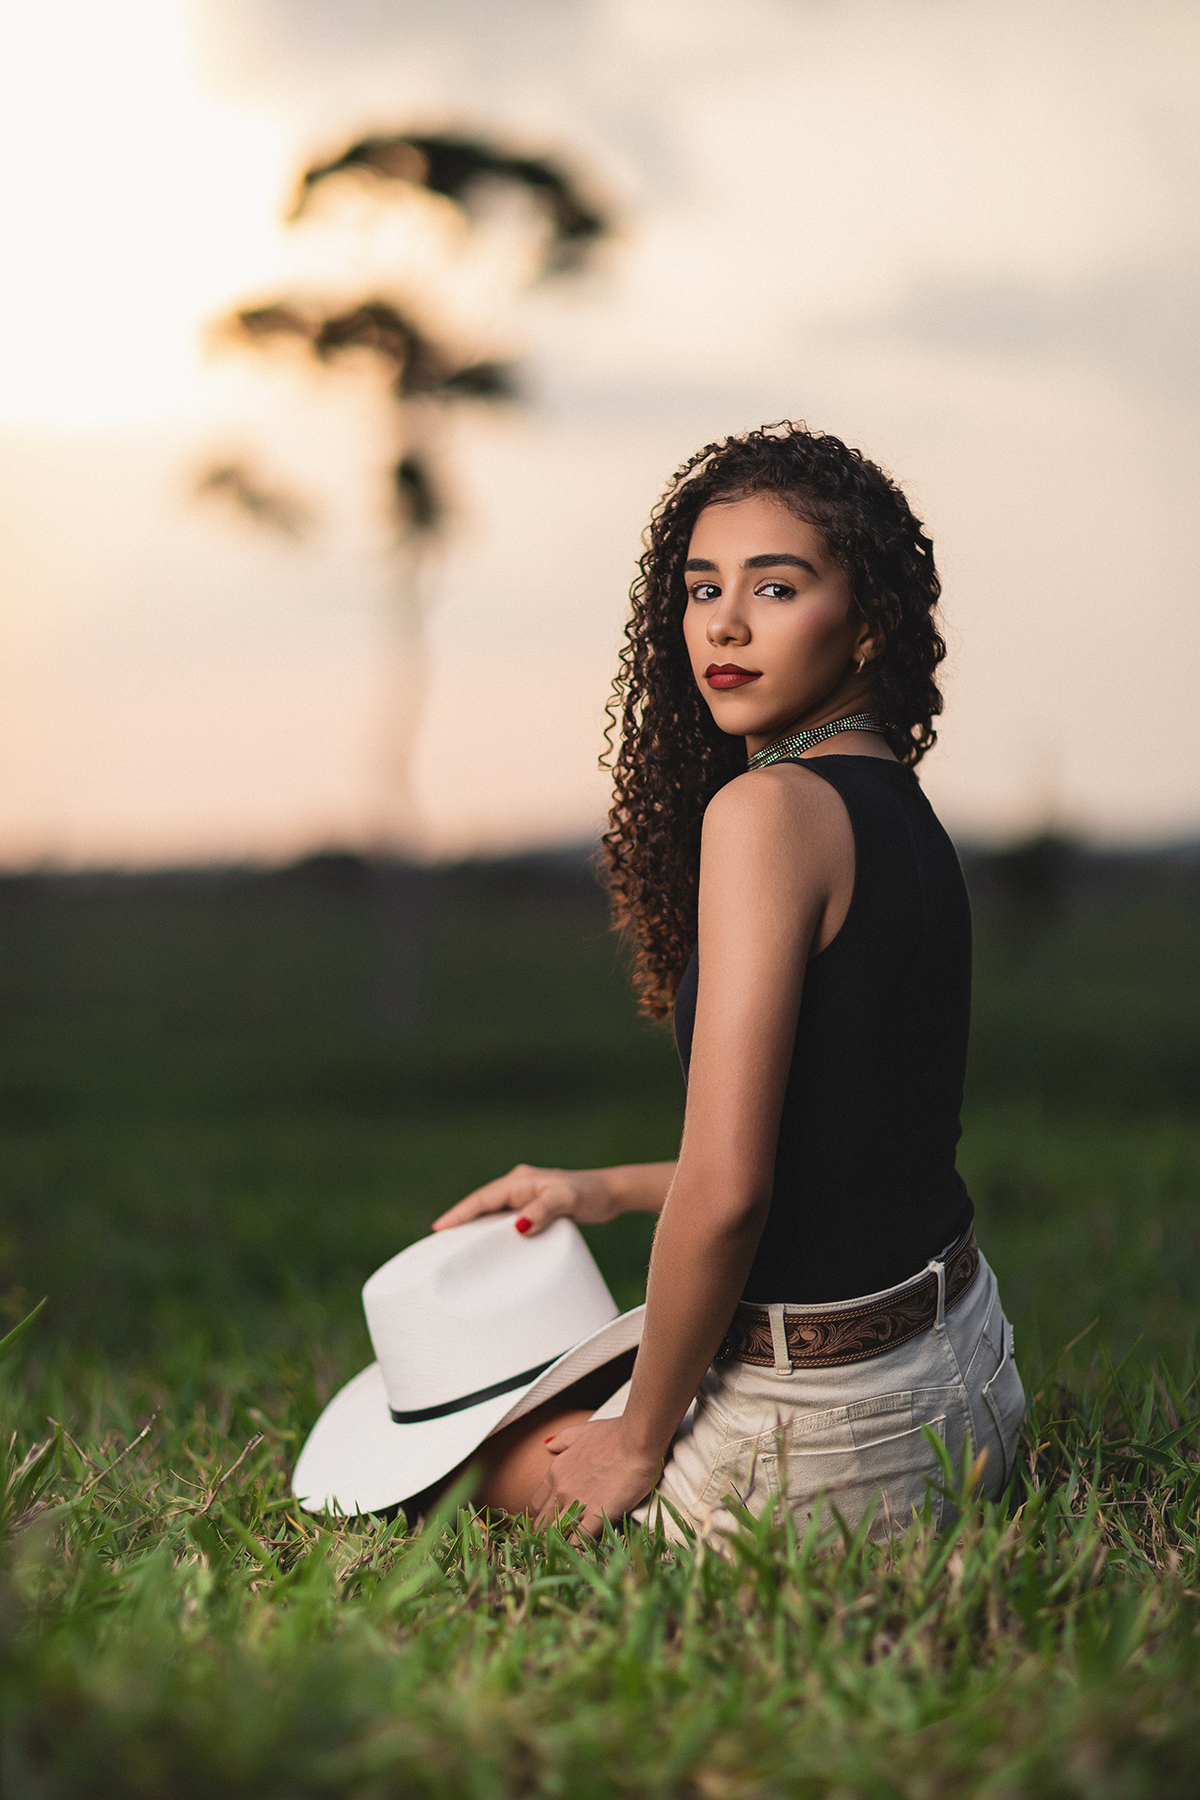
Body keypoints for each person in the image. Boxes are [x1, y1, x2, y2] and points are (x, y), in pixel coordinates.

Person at [431, 422, 1025, 1542]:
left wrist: (639, 1441)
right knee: (561, 1405)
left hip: (832, 1437)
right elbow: (843, 1157)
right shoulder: (895, 803)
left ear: (867, 622)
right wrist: (598, 1190)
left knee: (481, 1460)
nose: (726, 624)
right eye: (703, 588)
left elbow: (736, 1190)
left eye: (777, 585)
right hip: (969, 1378)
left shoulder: (764, 814)